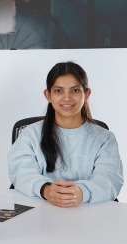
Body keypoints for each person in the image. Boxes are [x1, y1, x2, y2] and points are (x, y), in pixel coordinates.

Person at [8, 61, 123, 208]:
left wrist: (82, 192)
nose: (67, 98)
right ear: (48, 95)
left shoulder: (105, 138)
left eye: (75, 90)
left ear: (86, 94)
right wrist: (46, 189)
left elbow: (109, 179)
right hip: (40, 212)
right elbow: (21, 172)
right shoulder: (30, 134)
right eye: (58, 91)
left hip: (89, 215)